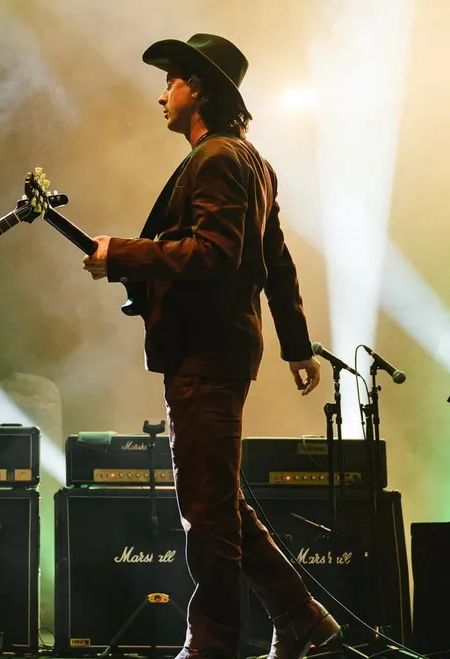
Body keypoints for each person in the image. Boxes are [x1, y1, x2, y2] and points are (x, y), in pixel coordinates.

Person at [80, 35, 341, 659]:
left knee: (206, 511)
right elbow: (275, 262)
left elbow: (217, 253)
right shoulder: (250, 159)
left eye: (170, 80)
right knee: (217, 498)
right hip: (219, 347)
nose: (160, 94)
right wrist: (296, 345)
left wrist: (123, 254)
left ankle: (213, 643)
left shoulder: (217, 158)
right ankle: (300, 616)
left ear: (198, 87)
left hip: (206, 349)